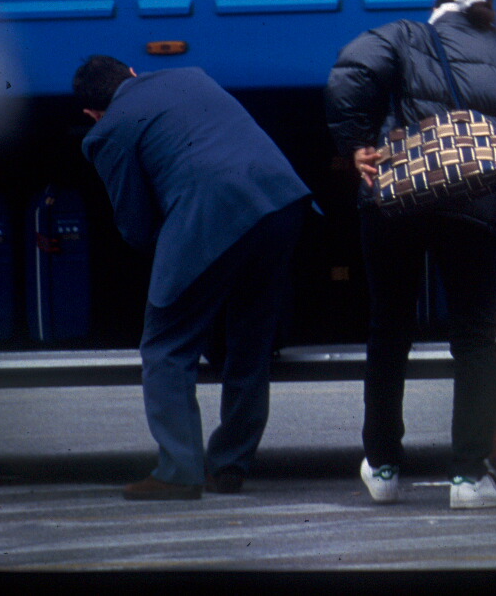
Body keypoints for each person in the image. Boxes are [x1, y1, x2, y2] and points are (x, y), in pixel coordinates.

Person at [325, 0, 496, 510]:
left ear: (440, 7)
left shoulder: (405, 37)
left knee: (389, 327)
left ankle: (385, 468)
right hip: (476, 212)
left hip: (396, 199)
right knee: (473, 338)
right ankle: (468, 477)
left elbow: (348, 75)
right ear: (489, 13)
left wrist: (356, 144)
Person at [73, 55, 315, 501]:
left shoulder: (106, 131)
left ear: (92, 113)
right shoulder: (190, 75)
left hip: (212, 217)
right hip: (280, 201)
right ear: (130, 71)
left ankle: (179, 470)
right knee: (249, 340)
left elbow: (136, 226)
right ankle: (229, 467)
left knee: (164, 347)